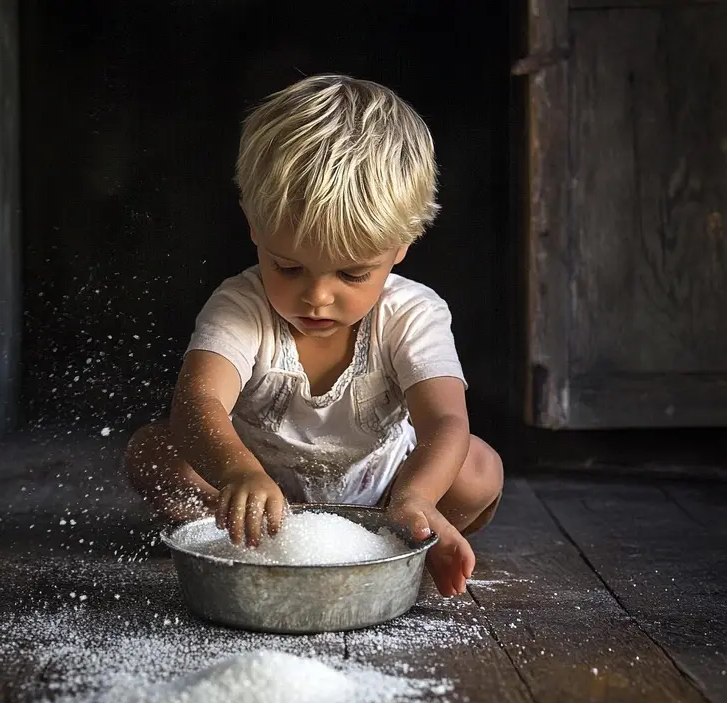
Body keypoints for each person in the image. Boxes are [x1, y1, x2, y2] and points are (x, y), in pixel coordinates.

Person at [125, 74, 503, 597]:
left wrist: (416, 496)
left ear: (401, 245)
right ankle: (238, 530)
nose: (317, 297)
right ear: (254, 227)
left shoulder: (412, 314)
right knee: (154, 451)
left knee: (477, 468)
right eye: (288, 267)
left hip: (386, 493)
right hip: (256, 489)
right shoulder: (241, 306)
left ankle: (409, 532)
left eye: (351, 274)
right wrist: (237, 473)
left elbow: (445, 420)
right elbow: (198, 402)